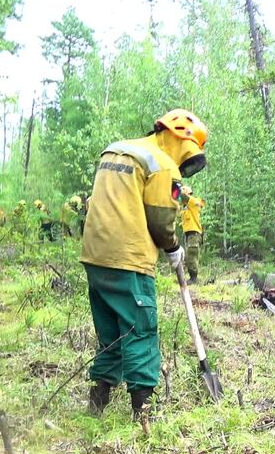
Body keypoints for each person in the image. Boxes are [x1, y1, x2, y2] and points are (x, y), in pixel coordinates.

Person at [79, 109, 209, 422]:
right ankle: (143, 412)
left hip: (95, 255)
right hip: (129, 259)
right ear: (183, 140)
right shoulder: (162, 164)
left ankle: (98, 400)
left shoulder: (117, 149)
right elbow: (161, 219)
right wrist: (173, 246)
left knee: (110, 331)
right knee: (140, 330)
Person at [179, 184, 205, 283]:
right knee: (188, 256)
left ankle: (194, 278)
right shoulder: (185, 206)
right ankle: (192, 276)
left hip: (194, 233)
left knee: (191, 255)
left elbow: (181, 194)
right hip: (189, 234)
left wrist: (174, 184)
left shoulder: (192, 201)